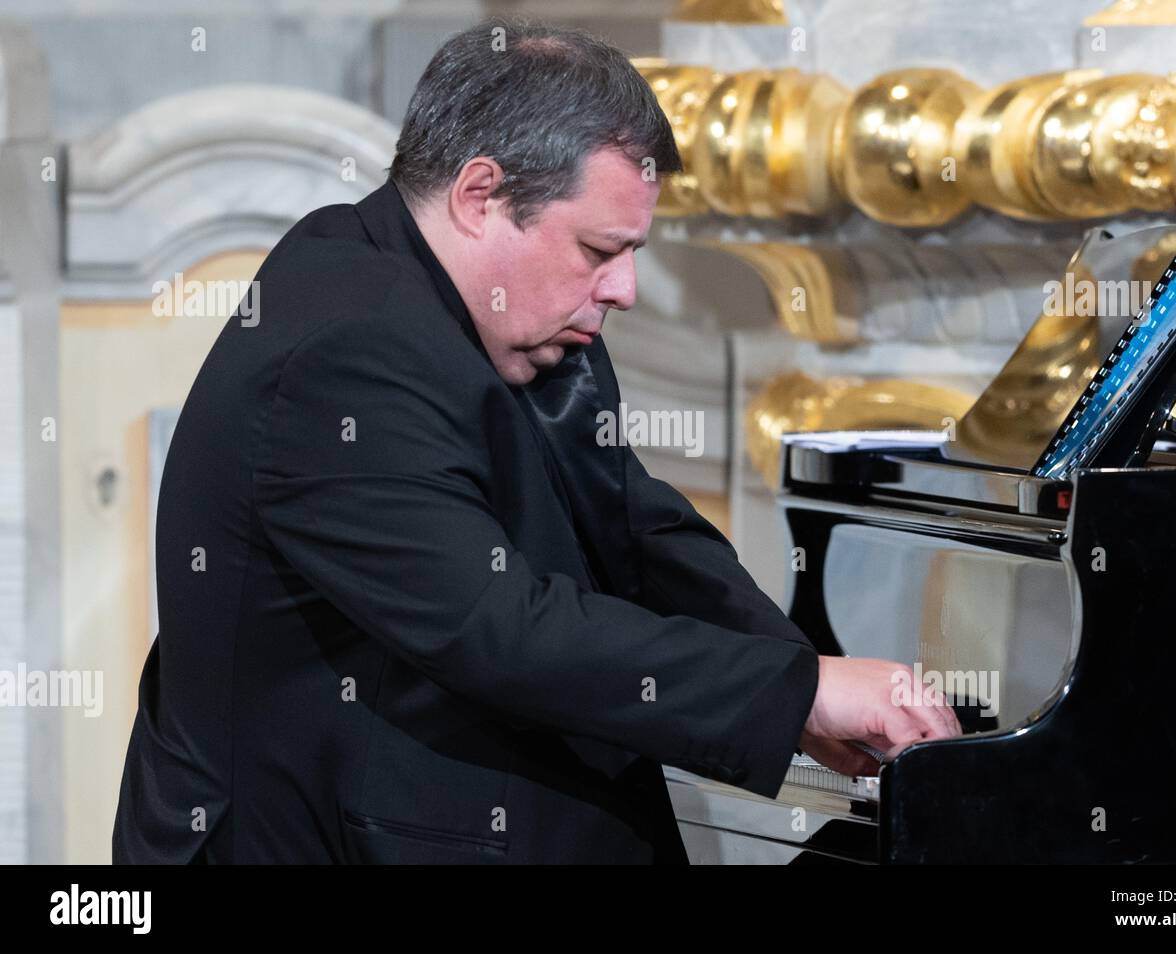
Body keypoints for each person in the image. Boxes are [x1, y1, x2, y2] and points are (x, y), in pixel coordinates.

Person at [112, 17, 958, 864]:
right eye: (599, 248)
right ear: (480, 196)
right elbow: (495, 627)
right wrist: (800, 696)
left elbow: (634, 527)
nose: (623, 288)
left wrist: (797, 671)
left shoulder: (497, 312)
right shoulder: (349, 345)